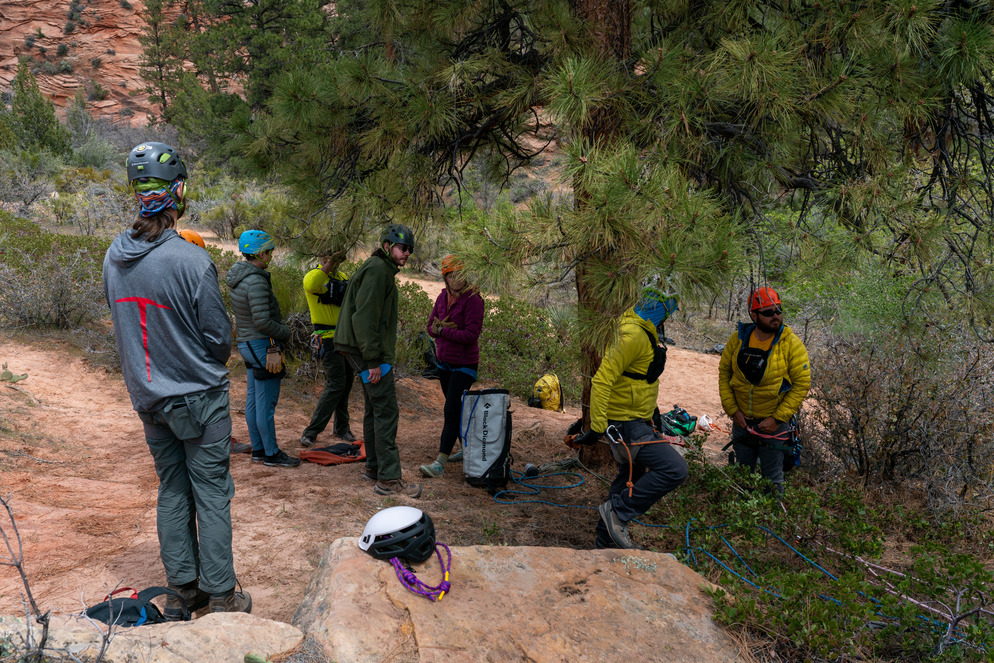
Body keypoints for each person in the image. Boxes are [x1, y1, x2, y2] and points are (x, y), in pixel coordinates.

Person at [103, 141, 251, 617]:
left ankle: (184, 591)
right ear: (178, 191)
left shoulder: (113, 256)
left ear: (136, 192)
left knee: (171, 487)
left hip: (148, 399)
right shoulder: (190, 260)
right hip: (199, 398)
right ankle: (223, 596)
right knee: (211, 491)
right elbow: (217, 339)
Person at [573, 290, 688, 549]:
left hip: (636, 418)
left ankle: (606, 544)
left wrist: (653, 417)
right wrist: (597, 427)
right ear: (662, 311)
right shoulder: (633, 334)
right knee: (675, 469)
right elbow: (603, 379)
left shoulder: (642, 329)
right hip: (625, 423)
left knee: (631, 476)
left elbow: (637, 381)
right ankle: (618, 514)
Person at [335, 223, 422, 498]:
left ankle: (374, 467)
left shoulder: (380, 268)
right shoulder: (378, 270)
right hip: (365, 352)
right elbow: (364, 318)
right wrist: (373, 360)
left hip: (361, 350)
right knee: (386, 411)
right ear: (387, 246)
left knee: (375, 409)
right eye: (401, 247)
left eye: (409, 249)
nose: (406, 253)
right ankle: (389, 479)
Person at [718, 286, 811, 495]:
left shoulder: (791, 344)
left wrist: (778, 419)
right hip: (742, 423)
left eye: (778, 310)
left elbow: (802, 384)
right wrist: (733, 410)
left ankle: (771, 519)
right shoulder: (738, 339)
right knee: (742, 476)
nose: (775, 316)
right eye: (768, 312)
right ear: (754, 315)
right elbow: (724, 373)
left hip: (773, 426)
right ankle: (741, 519)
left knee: (772, 480)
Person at [226, 229, 300, 468]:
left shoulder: (240, 276)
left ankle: (259, 449)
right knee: (265, 403)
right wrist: (286, 333)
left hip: (247, 344)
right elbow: (262, 322)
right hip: (262, 346)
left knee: (254, 400)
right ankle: (271, 453)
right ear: (260, 252)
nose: (271, 254)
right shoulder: (256, 280)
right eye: (269, 250)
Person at [419, 254, 485, 477]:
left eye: (461, 274)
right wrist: (436, 330)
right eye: (452, 275)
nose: (457, 279)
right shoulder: (441, 298)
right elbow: (430, 327)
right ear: (445, 277)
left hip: (465, 365)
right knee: (457, 411)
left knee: (450, 410)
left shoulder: (474, 300)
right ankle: (469, 450)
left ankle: (440, 462)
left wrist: (443, 331)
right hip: (444, 363)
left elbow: (471, 335)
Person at [300, 253, 357, 447]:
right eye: (330, 257)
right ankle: (311, 431)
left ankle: (342, 428)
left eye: (337, 258)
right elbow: (312, 286)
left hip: (345, 338)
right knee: (336, 383)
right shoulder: (313, 275)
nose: (334, 262)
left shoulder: (341, 278)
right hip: (326, 338)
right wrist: (328, 264)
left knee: (347, 382)